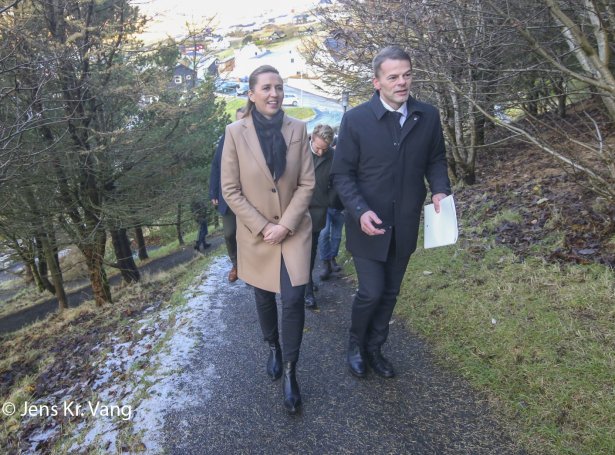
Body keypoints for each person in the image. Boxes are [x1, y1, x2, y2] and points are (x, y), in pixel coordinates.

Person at [331, 46, 451, 379]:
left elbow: (436, 160)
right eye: (393, 76)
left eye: (407, 74)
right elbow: (342, 174)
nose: (402, 82)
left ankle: (375, 347)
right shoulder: (356, 120)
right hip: (367, 224)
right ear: (376, 82)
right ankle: (355, 345)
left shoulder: (428, 116)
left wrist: (440, 188)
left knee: (391, 292)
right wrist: (359, 211)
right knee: (370, 291)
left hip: (406, 222)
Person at [221, 65, 315, 413]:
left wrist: (285, 225)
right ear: (252, 93)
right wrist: (263, 227)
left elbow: (307, 182)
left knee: (292, 300)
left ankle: (291, 370)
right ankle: (272, 346)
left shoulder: (298, 128)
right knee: (264, 296)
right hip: (256, 233)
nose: (274, 93)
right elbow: (230, 189)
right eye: (266, 88)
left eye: (278, 87)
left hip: (292, 231)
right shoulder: (234, 132)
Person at [209, 107, 246, 282]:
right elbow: (216, 165)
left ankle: (252, 269)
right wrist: (213, 192)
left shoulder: (256, 138)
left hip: (251, 197)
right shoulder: (227, 137)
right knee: (230, 234)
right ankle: (236, 265)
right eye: (237, 120)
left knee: (250, 234)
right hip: (228, 196)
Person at [304, 124, 336, 310]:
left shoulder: (332, 156)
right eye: (318, 148)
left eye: (326, 148)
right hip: (296, 211)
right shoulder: (299, 151)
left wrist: (328, 200)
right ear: (312, 138)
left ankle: (306, 285)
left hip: (318, 212)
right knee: (299, 251)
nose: (321, 152)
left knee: (311, 251)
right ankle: (305, 288)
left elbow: (336, 182)